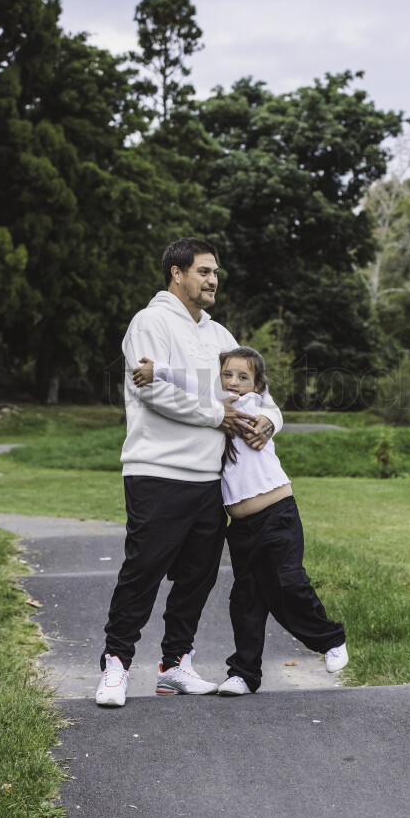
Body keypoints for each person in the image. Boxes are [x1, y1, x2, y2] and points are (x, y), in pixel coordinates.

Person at [95, 238, 282, 707]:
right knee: (143, 571)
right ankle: (115, 665)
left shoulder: (221, 337)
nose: (213, 279)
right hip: (156, 471)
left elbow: (258, 392)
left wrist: (268, 421)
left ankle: (175, 665)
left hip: (209, 480)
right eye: (204, 271)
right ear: (177, 273)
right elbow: (152, 391)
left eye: (216, 272)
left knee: (197, 577)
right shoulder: (148, 323)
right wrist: (216, 415)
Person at [133, 346, 348, 696]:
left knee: (288, 583)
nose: (233, 383)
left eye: (243, 377)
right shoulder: (218, 408)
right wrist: (157, 371)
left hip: (278, 514)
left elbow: (197, 385)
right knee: (245, 599)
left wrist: (162, 371)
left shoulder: (252, 407)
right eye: (227, 376)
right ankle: (245, 673)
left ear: (258, 385)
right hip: (242, 527)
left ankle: (331, 639)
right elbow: (192, 384)